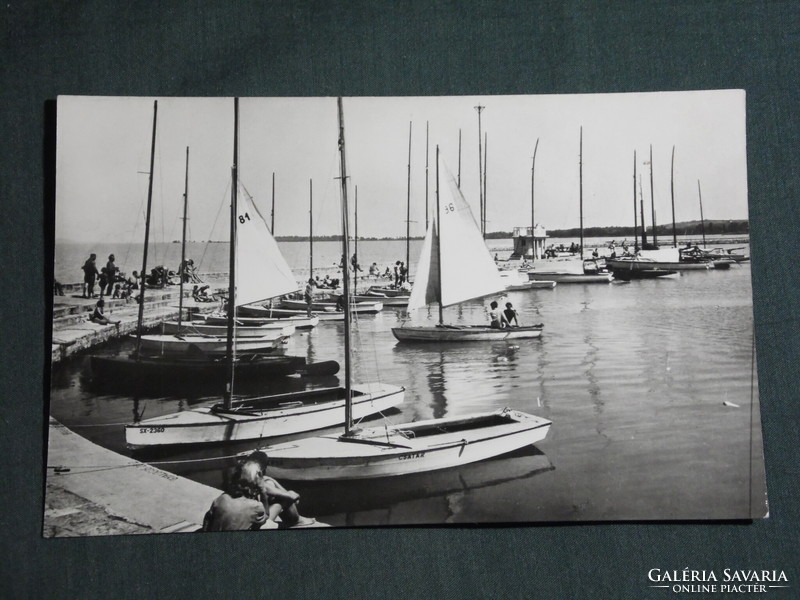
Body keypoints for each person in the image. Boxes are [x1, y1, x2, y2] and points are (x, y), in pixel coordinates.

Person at [203, 451, 314, 531]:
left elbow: (207, 520)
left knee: (274, 488)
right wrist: (263, 492)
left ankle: (298, 519)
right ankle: (297, 521)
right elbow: (266, 515)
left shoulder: (220, 499)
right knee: (282, 501)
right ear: (262, 471)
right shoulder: (255, 505)